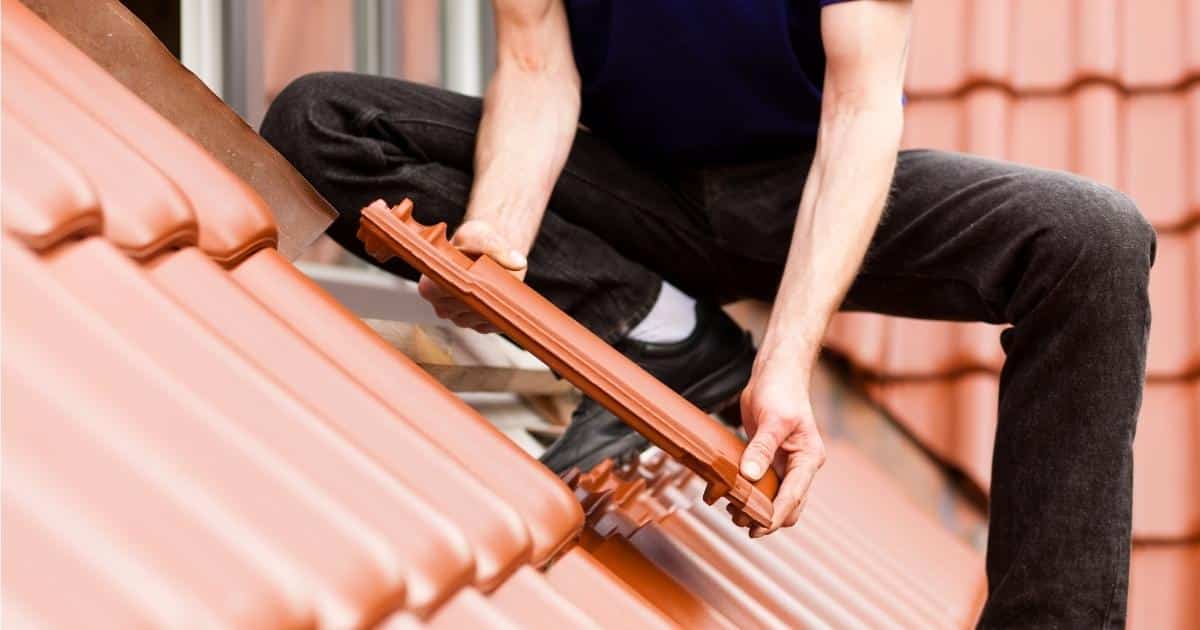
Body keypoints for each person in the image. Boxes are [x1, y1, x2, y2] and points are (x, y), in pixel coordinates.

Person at [261, 1, 1154, 626]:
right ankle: (665, 331)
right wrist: (496, 235)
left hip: (796, 189)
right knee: (321, 120)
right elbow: (535, 68)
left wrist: (787, 364)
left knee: (1095, 240)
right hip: (628, 184)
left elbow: (859, 113)